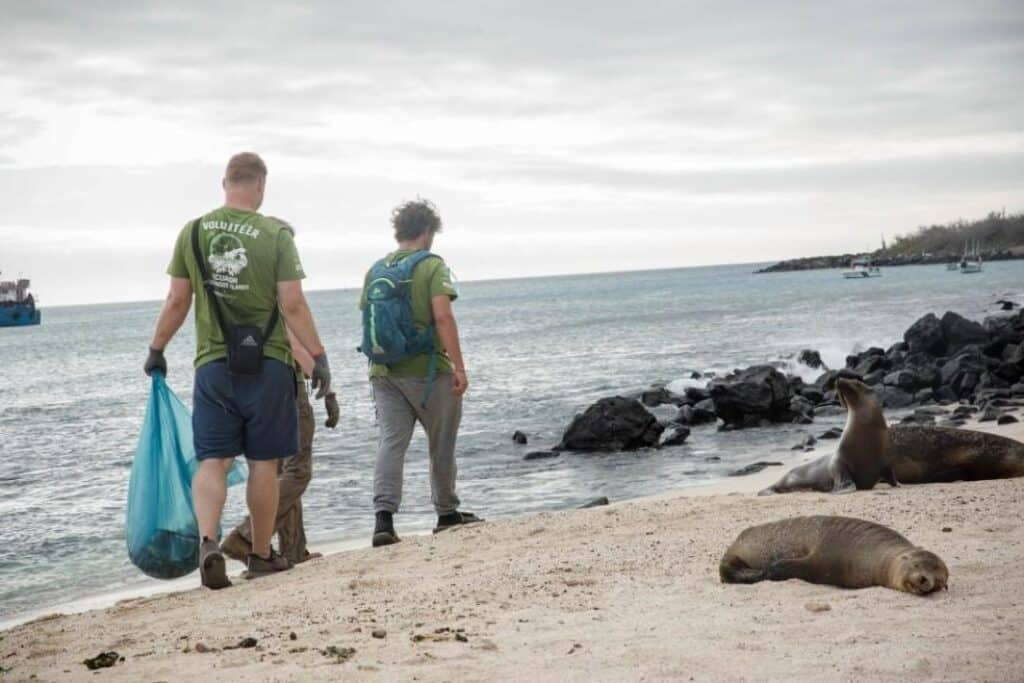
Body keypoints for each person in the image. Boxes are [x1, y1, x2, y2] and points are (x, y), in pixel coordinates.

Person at [144, 152, 331, 589]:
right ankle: (262, 554)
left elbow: (177, 301)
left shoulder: (192, 232)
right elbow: (293, 305)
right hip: (267, 365)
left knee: (214, 460)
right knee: (265, 464)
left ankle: (208, 541)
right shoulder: (275, 235)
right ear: (261, 186)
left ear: (224, 183)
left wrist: (157, 349)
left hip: (213, 365)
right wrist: (319, 357)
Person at [359, 199, 481, 547]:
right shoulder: (431, 266)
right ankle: (446, 513)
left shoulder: (376, 268)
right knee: (441, 442)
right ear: (427, 231)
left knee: (391, 443)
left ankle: (383, 520)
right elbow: (442, 317)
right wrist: (459, 366)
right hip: (428, 373)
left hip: (383, 371)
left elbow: (368, 319)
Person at [221, 222, 340, 566]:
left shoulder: (241, 288)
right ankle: (245, 536)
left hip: (249, 387)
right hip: (285, 385)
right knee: (298, 471)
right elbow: (288, 337)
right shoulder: (277, 290)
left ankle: (292, 550)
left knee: (278, 471)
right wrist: (323, 380)